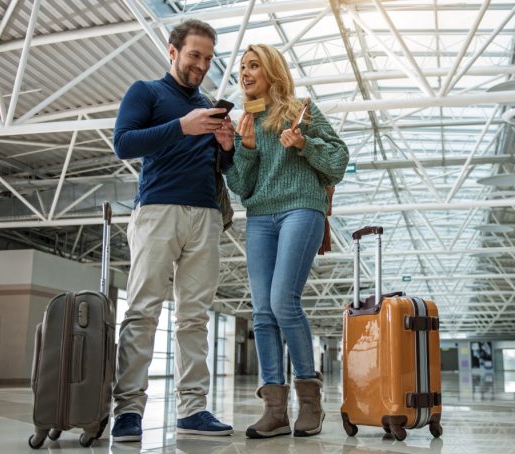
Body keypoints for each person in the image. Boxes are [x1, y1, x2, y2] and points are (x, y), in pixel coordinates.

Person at [110, 19, 235, 442]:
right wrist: (184, 125)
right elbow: (124, 143)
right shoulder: (146, 91)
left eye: (208, 58)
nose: (201, 64)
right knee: (144, 309)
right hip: (158, 211)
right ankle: (128, 410)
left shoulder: (208, 106)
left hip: (205, 216)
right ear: (173, 51)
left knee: (194, 318)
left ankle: (192, 408)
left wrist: (226, 147)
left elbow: (224, 171)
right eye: (194, 55)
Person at [225, 44, 349, 439]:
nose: (245, 72)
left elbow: (339, 161)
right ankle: (275, 410)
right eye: (242, 67)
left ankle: (310, 400)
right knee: (261, 311)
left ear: (272, 71)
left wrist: (303, 144)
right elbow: (241, 187)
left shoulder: (302, 109)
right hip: (260, 215)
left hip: (301, 207)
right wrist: (243, 149)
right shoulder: (245, 121)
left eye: (253, 65)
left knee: (282, 301)